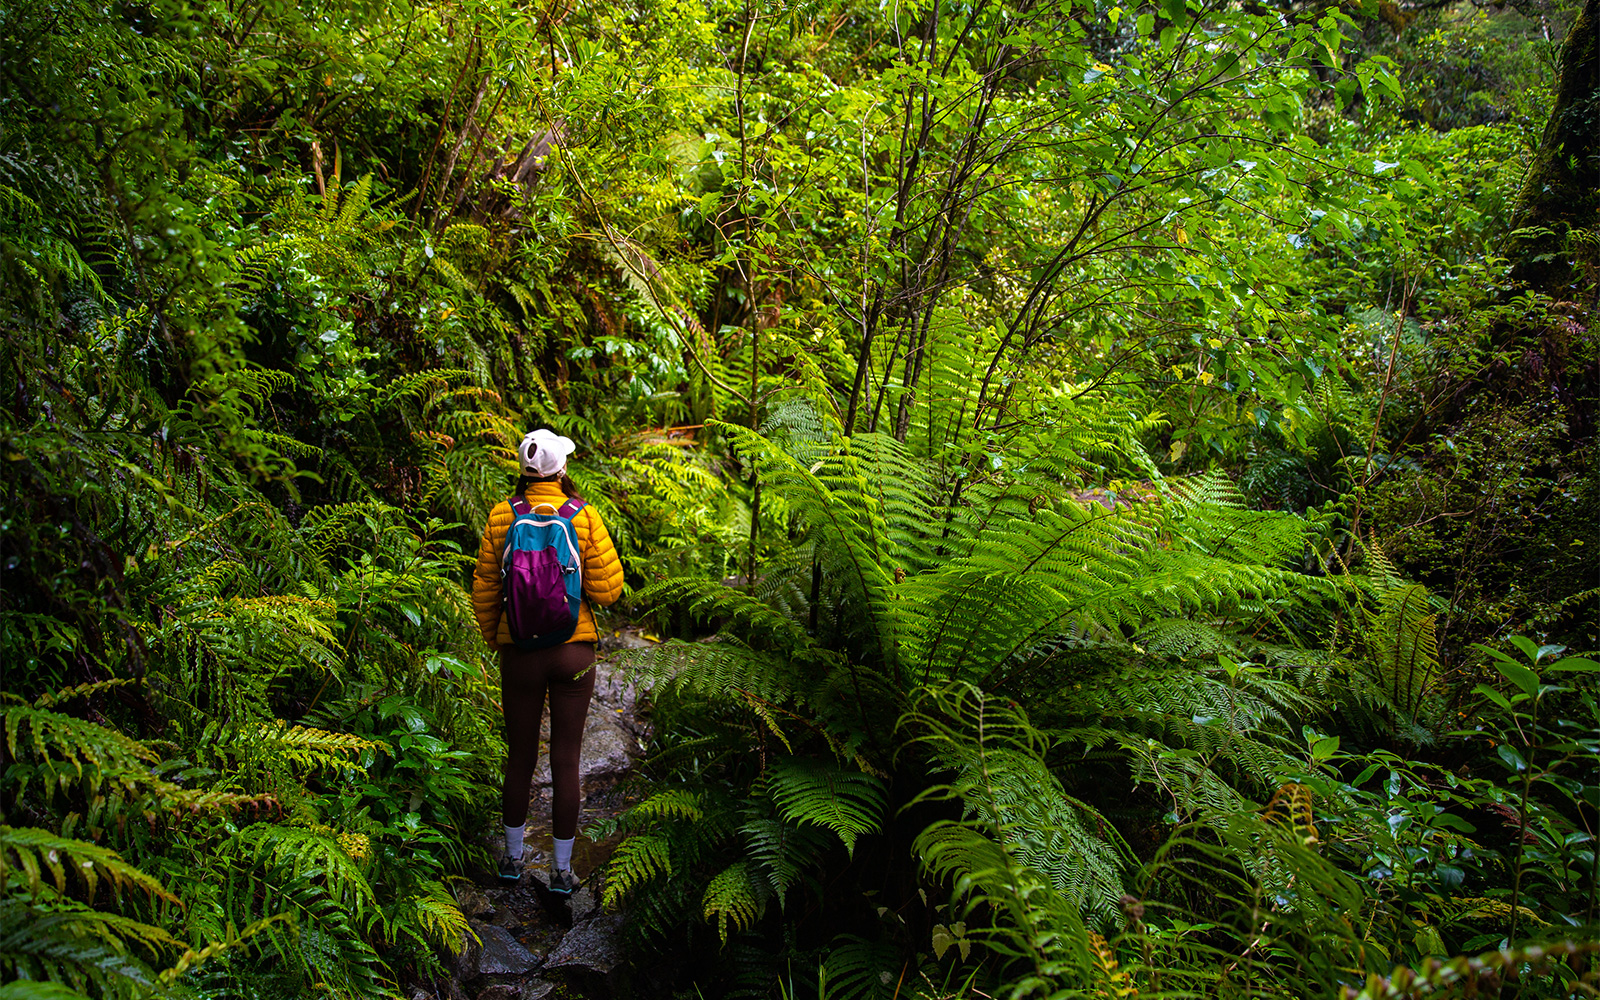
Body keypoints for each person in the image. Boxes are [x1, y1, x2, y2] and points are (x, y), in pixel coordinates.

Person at [472, 429, 624, 893]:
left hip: (519, 652)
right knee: (566, 759)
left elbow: (484, 590)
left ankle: (512, 861)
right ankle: (561, 871)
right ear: (562, 470)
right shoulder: (584, 515)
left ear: (524, 472)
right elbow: (608, 590)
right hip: (572, 651)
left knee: (519, 758)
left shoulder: (503, 515)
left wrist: (500, 641)